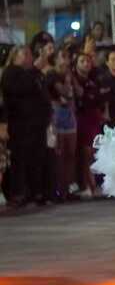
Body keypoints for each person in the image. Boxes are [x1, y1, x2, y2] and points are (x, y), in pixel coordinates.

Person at [1, 45, 53, 206]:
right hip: (19, 124)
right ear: (15, 56)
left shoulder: (34, 73)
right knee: (20, 160)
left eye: (30, 54)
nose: (30, 57)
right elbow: (19, 89)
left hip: (36, 124)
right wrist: (34, 70)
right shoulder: (10, 73)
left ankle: (36, 192)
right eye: (25, 54)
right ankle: (18, 193)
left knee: (36, 159)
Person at [46, 48, 80, 202]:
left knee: (70, 154)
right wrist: (67, 81)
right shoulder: (51, 75)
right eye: (63, 57)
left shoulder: (70, 74)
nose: (67, 60)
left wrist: (72, 79)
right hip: (56, 114)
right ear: (55, 59)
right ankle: (58, 190)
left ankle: (69, 189)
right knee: (59, 154)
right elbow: (64, 92)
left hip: (69, 114)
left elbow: (79, 92)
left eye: (68, 57)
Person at [73, 51, 104, 199]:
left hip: (93, 120)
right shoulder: (73, 80)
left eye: (88, 61)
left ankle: (91, 185)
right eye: (82, 61)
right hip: (80, 119)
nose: (86, 64)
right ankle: (85, 185)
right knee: (84, 153)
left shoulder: (93, 81)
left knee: (91, 152)